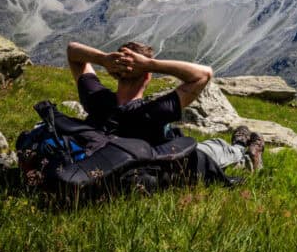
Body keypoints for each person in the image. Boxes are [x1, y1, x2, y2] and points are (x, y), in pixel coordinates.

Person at [65, 41, 264, 174]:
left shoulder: (96, 98)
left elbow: (73, 51)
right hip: (155, 165)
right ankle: (242, 151)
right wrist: (151, 64)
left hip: (100, 160)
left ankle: (240, 148)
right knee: (213, 147)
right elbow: (204, 74)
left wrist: (104, 59)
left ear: (114, 73)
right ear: (147, 76)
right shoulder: (152, 113)